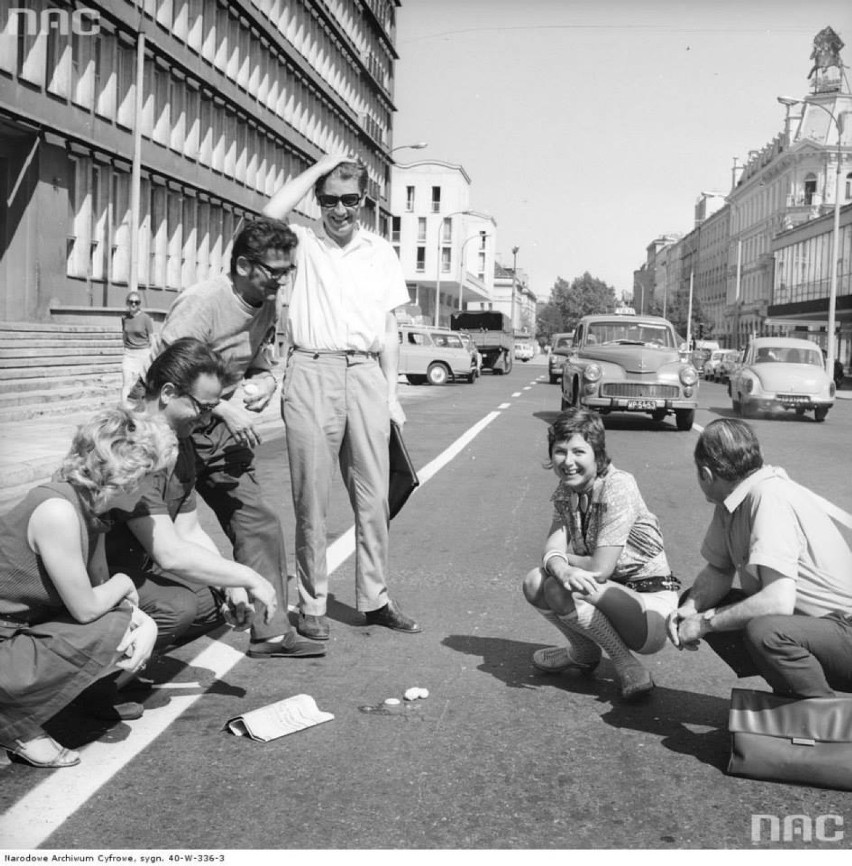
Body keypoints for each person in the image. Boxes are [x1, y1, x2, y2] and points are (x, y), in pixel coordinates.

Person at [262, 153, 420, 641]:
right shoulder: (304, 244)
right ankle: (312, 602)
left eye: (350, 200)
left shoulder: (381, 251)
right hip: (312, 368)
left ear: (364, 201)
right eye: (330, 200)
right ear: (319, 202)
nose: (340, 210)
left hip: (367, 373)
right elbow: (269, 215)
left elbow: (390, 330)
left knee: (373, 498)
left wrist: (391, 395)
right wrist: (322, 165)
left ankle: (375, 598)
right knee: (312, 496)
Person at [108, 338, 323, 658]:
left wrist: (232, 587)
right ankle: (99, 675)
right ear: (168, 393)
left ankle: (129, 654)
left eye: (212, 409)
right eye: (202, 408)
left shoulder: (178, 444)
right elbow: (170, 554)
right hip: (93, 581)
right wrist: (247, 576)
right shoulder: (131, 444)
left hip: (129, 572)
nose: (206, 420)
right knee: (179, 607)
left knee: (215, 597)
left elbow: (188, 531)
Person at [150, 218, 299, 655]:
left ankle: (269, 630)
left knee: (257, 520)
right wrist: (227, 409)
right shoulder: (203, 302)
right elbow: (173, 376)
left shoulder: (266, 302)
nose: (281, 280)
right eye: (274, 271)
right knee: (162, 530)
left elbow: (261, 361)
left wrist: (267, 383)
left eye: (286, 271)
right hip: (177, 425)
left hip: (221, 426)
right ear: (242, 265)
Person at [0, 408, 170, 768]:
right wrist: (126, 583)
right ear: (128, 475)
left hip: (14, 635)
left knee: (123, 621)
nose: (153, 489)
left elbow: (96, 590)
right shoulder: (59, 512)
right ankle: (14, 723)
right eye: (152, 478)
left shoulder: (85, 507)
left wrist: (144, 621)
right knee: (111, 628)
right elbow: (88, 608)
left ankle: (25, 708)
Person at [667, 418, 852, 698]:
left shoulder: (769, 497)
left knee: (767, 631)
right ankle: (793, 693)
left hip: (845, 631)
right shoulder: (732, 501)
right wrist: (690, 610)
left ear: (706, 474)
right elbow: (718, 569)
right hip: (821, 630)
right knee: (700, 600)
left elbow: (778, 601)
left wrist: (705, 622)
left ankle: (825, 718)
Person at [522, 408, 679, 701]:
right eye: (560, 451)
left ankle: (627, 663)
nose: (568, 462)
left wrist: (561, 564)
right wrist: (559, 563)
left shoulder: (618, 485)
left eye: (578, 451)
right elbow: (551, 548)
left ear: (597, 452)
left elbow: (599, 568)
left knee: (557, 583)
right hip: (607, 594)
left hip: (649, 607)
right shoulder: (565, 490)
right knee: (534, 582)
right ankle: (583, 652)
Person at [121, 291, 155, 403]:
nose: (134, 304)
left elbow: (151, 338)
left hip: (143, 353)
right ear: (127, 303)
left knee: (138, 383)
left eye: (137, 302)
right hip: (129, 354)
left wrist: (152, 355)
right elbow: (124, 334)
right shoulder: (124, 318)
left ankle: (138, 408)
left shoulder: (146, 318)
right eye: (131, 302)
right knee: (126, 382)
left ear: (139, 303)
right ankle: (124, 408)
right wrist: (126, 348)